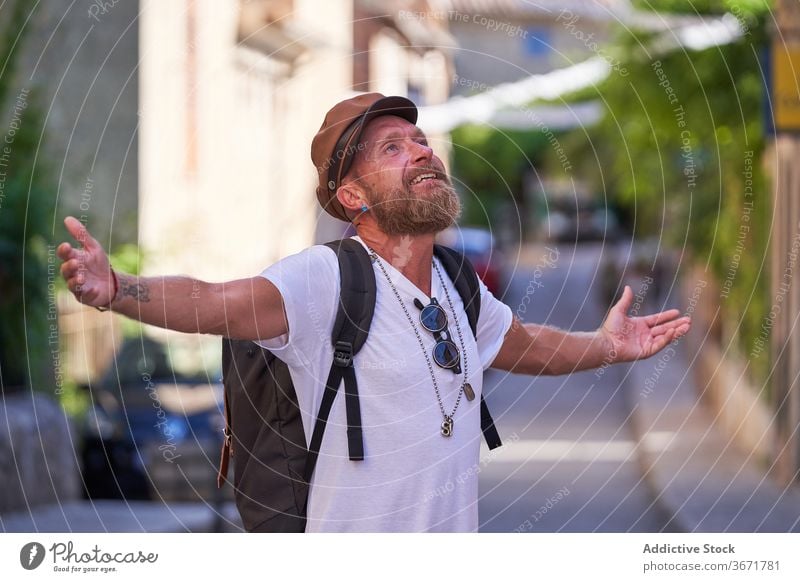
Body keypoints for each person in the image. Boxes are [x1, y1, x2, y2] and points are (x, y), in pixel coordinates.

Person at [57, 93, 691, 532]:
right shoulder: (325, 279)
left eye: (419, 141)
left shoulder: (455, 281)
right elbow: (217, 301)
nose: (421, 151)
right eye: (392, 148)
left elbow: (523, 344)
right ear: (351, 194)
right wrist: (118, 288)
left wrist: (607, 346)